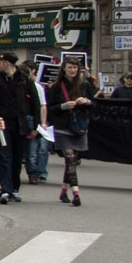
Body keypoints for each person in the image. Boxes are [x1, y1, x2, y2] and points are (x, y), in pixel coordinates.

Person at [0, 54, 39, 204]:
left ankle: (14, 188)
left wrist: (35, 126)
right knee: (3, 157)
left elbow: (35, 104)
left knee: (17, 158)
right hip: (3, 124)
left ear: (7, 63)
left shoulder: (25, 80)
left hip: (20, 125)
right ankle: (5, 189)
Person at [51, 58, 98, 206]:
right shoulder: (57, 86)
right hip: (62, 127)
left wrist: (87, 102)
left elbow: (94, 104)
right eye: (70, 67)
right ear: (64, 68)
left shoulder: (84, 85)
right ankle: (76, 193)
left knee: (70, 162)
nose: (72, 70)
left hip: (78, 127)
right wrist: (63, 106)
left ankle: (64, 191)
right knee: (70, 158)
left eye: (75, 68)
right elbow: (50, 108)